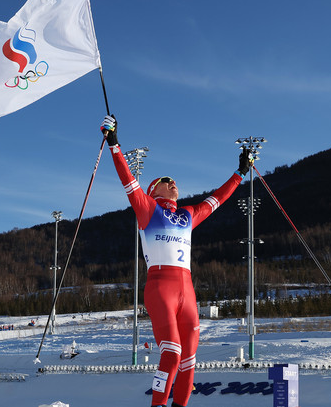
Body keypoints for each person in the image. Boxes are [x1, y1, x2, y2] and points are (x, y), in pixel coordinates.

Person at [101, 114, 249, 407]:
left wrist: (240, 172)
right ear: (153, 190)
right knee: (172, 352)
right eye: (167, 181)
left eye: (175, 181)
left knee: (190, 358)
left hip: (187, 291)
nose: (174, 184)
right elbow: (128, 180)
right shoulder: (148, 209)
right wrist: (114, 144)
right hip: (161, 288)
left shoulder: (187, 215)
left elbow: (217, 199)